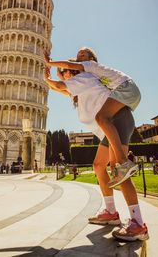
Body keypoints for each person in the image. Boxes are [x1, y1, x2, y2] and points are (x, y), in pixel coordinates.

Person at [44, 64, 148, 241]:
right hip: (111, 128)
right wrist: (49, 81)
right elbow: (61, 89)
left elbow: (60, 86)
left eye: (63, 71)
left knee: (119, 171)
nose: (61, 75)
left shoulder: (84, 78)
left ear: (72, 71)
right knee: (99, 166)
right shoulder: (78, 88)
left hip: (118, 121)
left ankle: (138, 224)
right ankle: (111, 212)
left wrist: (49, 79)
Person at [44, 47, 140, 188]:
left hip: (126, 88)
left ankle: (124, 162)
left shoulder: (90, 66)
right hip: (127, 93)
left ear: (91, 58)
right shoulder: (85, 83)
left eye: (82, 54)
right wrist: (50, 79)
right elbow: (61, 88)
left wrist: (50, 63)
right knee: (105, 166)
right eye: (78, 55)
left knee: (101, 117)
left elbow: (68, 69)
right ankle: (113, 207)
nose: (79, 56)